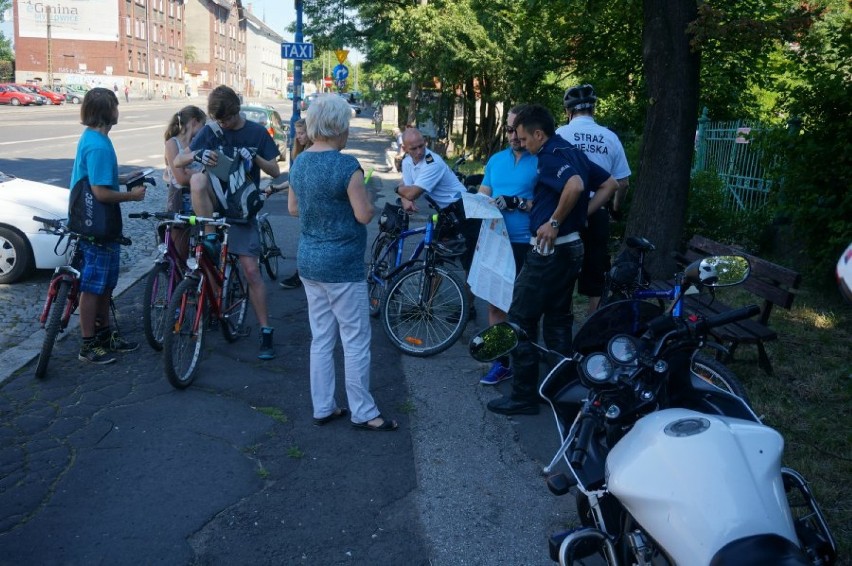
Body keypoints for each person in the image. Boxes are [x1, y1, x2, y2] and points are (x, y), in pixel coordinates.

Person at [487, 104, 618, 416]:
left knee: (519, 319)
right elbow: (610, 184)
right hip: (572, 248)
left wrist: (557, 220)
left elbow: (573, 185)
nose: (522, 144)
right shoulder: (572, 151)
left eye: (523, 138)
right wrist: (578, 216)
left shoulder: (548, 156)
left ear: (537, 133)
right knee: (558, 319)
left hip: (549, 250)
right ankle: (563, 390)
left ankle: (523, 396)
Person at [287, 93, 398, 432]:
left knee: (321, 337)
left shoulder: (301, 162)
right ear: (338, 128)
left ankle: (323, 406)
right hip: (343, 265)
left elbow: (293, 209)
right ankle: (363, 411)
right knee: (355, 338)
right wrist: (370, 206)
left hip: (309, 262)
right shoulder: (347, 166)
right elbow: (363, 215)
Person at [173, 85, 281, 360]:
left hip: (242, 209)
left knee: (251, 270)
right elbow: (178, 159)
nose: (224, 125)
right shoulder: (211, 130)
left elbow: (275, 170)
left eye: (228, 119)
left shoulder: (256, 132)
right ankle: (209, 237)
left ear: (237, 110)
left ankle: (266, 330)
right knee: (197, 178)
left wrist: (253, 156)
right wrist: (198, 155)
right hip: (215, 205)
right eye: (219, 121)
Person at [70, 87, 147, 364]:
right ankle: (88, 344)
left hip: (98, 224)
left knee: (104, 285)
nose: (119, 110)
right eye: (115, 105)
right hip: (97, 226)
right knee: (93, 286)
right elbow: (101, 193)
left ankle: (104, 335)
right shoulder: (99, 144)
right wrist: (132, 195)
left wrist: (124, 177)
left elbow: (98, 178)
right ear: (108, 112)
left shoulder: (93, 137)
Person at [555, 84, 632, 314]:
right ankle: (592, 335)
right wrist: (616, 209)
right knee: (596, 278)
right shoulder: (610, 137)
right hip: (597, 210)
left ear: (568, 111)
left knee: (562, 276)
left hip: (565, 211)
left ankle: (561, 331)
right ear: (594, 109)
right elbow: (623, 182)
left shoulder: (560, 134)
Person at [476, 105, 538, 385]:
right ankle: (501, 363)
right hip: (496, 240)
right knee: (495, 305)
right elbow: (483, 194)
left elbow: (550, 204)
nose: (514, 136)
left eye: (518, 130)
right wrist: (481, 202)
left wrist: (518, 203)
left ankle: (527, 365)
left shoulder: (538, 160)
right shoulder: (496, 160)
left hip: (526, 241)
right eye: (509, 129)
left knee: (524, 307)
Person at [278, 118, 313, 290]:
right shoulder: (302, 152)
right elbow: (294, 180)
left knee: (308, 241)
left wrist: (277, 188)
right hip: (304, 201)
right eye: (297, 133)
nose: (298, 137)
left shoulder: (310, 153)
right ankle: (302, 273)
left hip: (308, 203)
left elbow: (295, 181)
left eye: (302, 133)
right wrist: (277, 187)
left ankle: (302, 275)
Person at [163, 105, 207, 214]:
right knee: (180, 231)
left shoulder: (198, 143)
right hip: (180, 202)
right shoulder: (172, 143)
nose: (204, 129)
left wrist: (192, 173)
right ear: (194, 122)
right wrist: (202, 176)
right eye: (203, 124)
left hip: (200, 200)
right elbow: (181, 179)